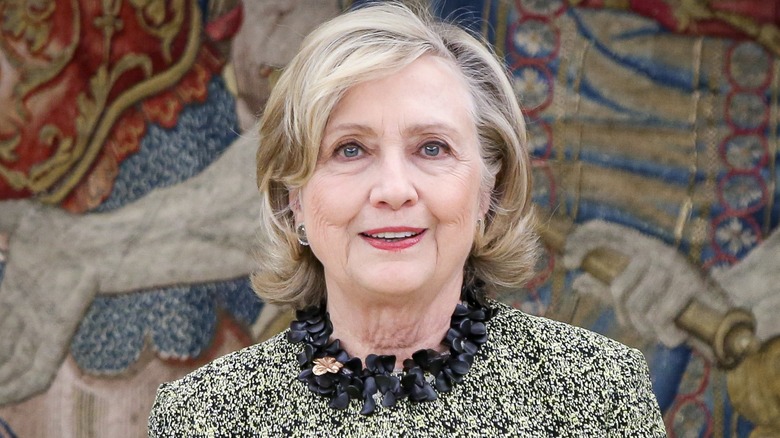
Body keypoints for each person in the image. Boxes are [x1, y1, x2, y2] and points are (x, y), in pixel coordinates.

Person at [148, 2, 667, 435]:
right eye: (350, 149)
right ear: (294, 198)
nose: (394, 190)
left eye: (432, 148)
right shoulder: (203, 418)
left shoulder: (596, 396)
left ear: (488, 189)